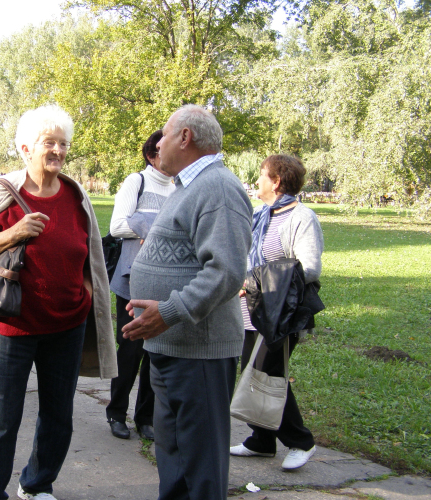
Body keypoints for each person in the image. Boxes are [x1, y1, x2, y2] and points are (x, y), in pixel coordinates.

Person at [0, 105, 118, 500]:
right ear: (26, 147)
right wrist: (12, 233)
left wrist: (87, 291)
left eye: (64, 144)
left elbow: (89, 252)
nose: (59, 151)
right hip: (13, 328)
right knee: (1, 422)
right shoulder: (2, 192)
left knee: (59, 417)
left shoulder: (75, 195)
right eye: (50, 143)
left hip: (67, 326)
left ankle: (38, 483)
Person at [121, 104, 252, 500]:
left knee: (199, 463)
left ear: (185, 137)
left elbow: (226, 272)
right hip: (171, 346)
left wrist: (171, 312)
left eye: (163, 133)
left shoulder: (218, 188)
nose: (157, 143)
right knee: (173, 455)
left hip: (199, 352)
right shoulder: (188, 187)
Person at [230, 154, 323, 470]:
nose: (257, 181)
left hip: (281, 312)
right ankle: (261, 440)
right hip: (251, 310)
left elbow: (308, 268)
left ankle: (301, 441)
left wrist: (254, 281)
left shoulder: (302, 217)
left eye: (261, 175)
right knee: (255, 372)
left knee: (269, 374)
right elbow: (247, 256)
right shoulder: (259, 215)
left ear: (276, 181)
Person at [105, 130, 175, 441]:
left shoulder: (178, 188)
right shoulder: (138, 182)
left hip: (166, 282)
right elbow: (116, 225)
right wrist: (150, 226)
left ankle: (145, 418)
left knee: (155, 352)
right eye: (165, 149)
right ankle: (116, 413)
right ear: (152, 155)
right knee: (131, 350)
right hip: (133, 281)